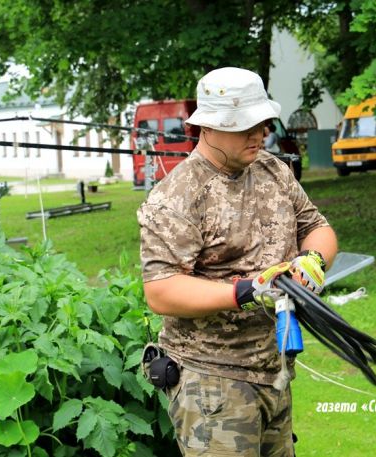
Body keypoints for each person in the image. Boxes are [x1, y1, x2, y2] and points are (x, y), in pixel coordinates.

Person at [137, 67, 338, 456]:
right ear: (208, 127)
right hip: (213, 384)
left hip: (275, 370)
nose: (259, 133)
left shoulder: (272, 170)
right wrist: (248, 291)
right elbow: (161, 291)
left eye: (262, 122)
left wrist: (313, 259)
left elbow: (318, 227)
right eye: (244, 125)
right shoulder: (177, 196)